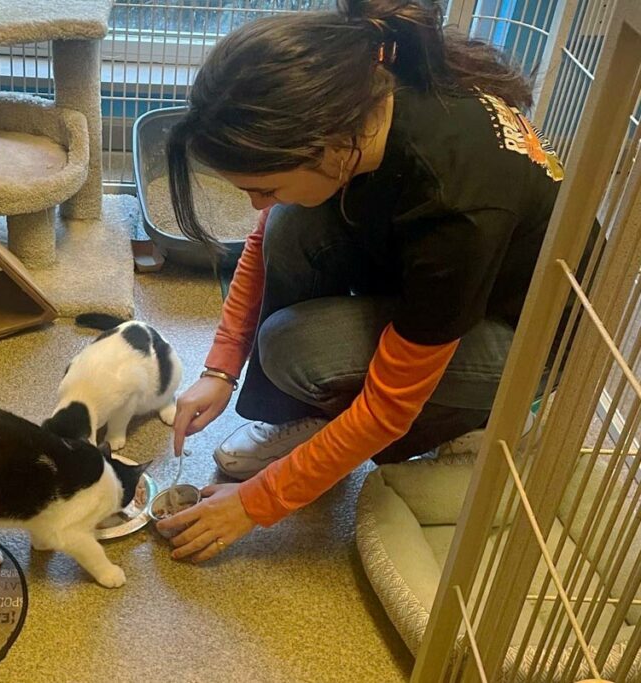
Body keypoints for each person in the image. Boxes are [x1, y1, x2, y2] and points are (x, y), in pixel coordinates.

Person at [155, 0, 568, 562]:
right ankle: (308, 420)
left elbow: (386, 409)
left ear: (328, 145)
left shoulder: (454, 216)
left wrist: (255, 504)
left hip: (532, 346)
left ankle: (483, 423)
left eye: (265, 187)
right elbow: (267, 236)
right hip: (452, 280)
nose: (255, 205)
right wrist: (219, 367)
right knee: (291, 228)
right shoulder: (364, 95)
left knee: (294, 345)